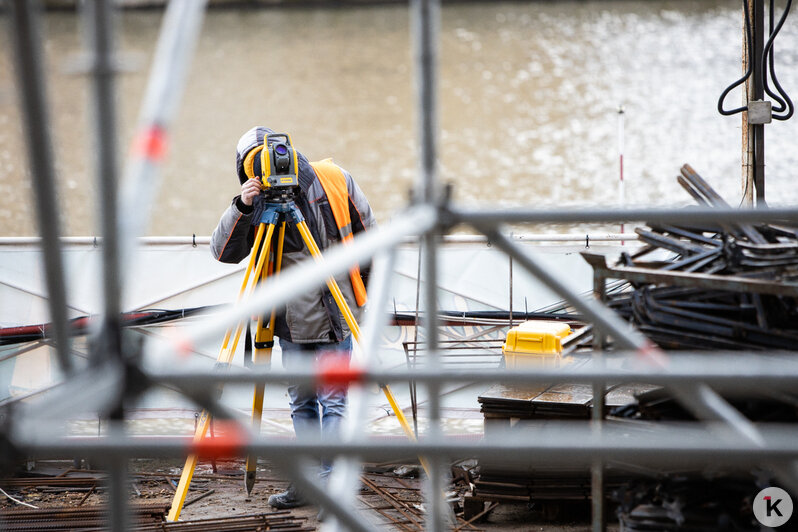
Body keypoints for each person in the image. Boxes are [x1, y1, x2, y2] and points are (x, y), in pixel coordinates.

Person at [210, 126, 376, 509]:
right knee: (303, 403)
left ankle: (330, 488)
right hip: (289, 322)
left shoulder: (333, 179)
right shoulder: (257, 201)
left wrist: (364, 297)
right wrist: (243, 206)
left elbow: (369, 236)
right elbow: (223, 253)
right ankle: (309, 485)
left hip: (336, 312)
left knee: (332, 402)